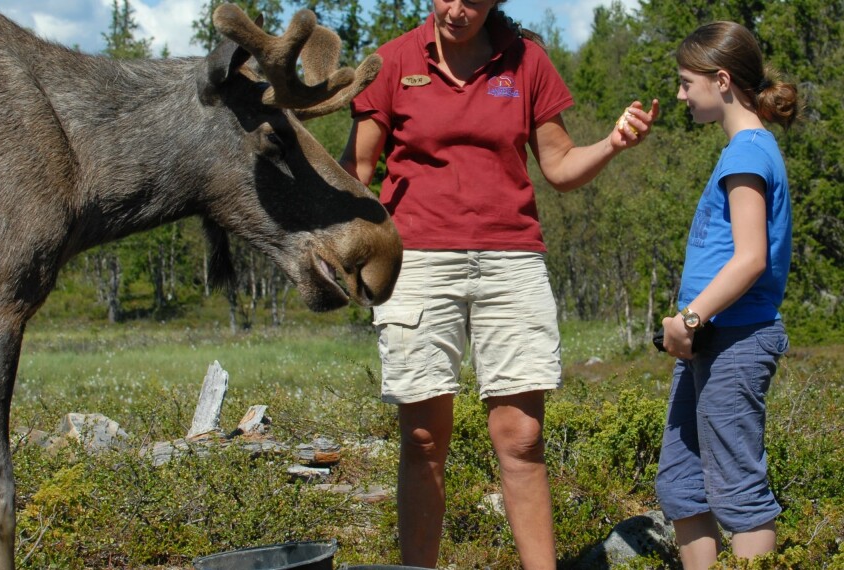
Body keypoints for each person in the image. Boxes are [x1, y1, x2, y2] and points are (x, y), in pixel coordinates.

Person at [339, 0, 659, 566]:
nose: (458, 10)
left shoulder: (526, 62)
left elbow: (558, 167)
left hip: (511, 261)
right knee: (422, 440)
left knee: (521, 438)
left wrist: (612, 143)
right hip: (417, 262)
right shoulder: (390, 64)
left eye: (475, 0)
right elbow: (357, 172)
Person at [656, 21, 799, 570]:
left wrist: (687, 320)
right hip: (710, 340)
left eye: (686, 82)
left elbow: (750, 258)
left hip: (733, 340)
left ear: (721, 81)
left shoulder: (747, 154)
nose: (680, 94)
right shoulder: (747, 149)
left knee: (737, 488)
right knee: (681, 483)